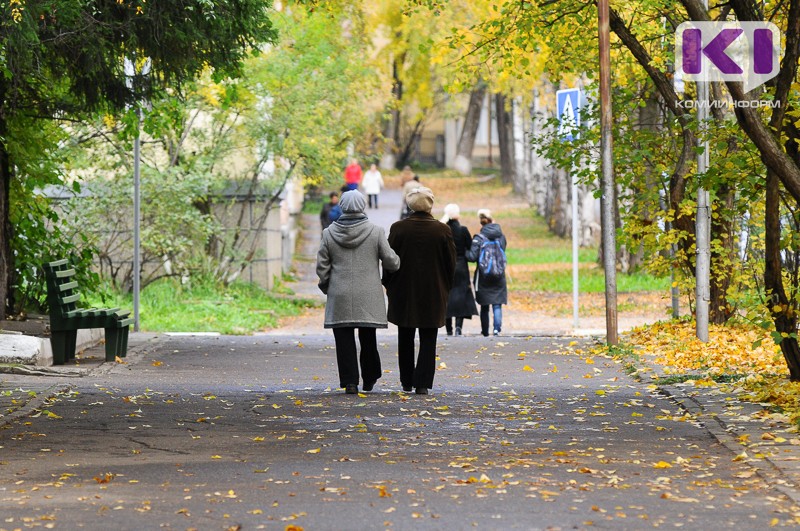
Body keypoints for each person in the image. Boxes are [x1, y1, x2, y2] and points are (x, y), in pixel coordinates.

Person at [316, 190, 400, 394]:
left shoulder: (329, 233)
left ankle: (350, 381)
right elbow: (391, 261)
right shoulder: (376, 231)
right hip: (368, 295)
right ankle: (370, 377)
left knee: (343, 339)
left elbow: (322, 266)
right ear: (363, 206)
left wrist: (328, 287)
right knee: (368, 336)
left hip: (340, 293)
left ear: (342, 207)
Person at [384, 187, 456, 395]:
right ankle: (422, 382)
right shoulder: (442, 230)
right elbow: (451, 263)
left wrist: (388, 284)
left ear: (410, 205)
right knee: (429, 336)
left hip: (403, 290)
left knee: (404, 335)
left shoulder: (398, 228)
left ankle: (406, 380)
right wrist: (446, 286)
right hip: (433, 290)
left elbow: (389, 261)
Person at [466, 209, 507, 337]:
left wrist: (464, 252)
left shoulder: (479, 238)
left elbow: (472, 257)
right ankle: (497, 330)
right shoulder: (501, 237)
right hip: (499, 275)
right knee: (497, 304)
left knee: (484, 306)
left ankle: (485, 331)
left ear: (481, 223)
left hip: (483, 276)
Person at [440, 204, 478, 336]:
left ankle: (448, 328)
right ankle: (458, 327)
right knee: (461, 296)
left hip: (446, 267)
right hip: (461, 266)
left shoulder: (442, 230)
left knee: (447, 296)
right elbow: (470, 247)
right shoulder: (463, 230)